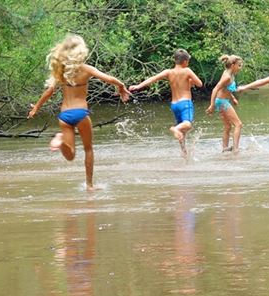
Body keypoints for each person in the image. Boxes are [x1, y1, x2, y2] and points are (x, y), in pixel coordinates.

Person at [28, 34, 129, 190]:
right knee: (88, 149)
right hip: (80, 113)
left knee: (70, 155)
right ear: (80, 51)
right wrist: (121, 87)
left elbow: (49, 91)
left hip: (64, 116)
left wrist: (36, 108)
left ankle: (61, 141)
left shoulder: (61, 71)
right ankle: (89, 185)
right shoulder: (85, 69)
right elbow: (109, 79)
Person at [130, 48, 204, 159]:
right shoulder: (187, 71)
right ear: (185, 61)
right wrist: (191, 81)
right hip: (185, 103)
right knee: (187, 125)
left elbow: (153, 79)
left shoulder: (168, 72)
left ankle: (184, 153)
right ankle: (174, 129)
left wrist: (138, 86)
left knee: (182, 131)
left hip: (174, 105)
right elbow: (199, 84)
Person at [206, 54, 245, 153]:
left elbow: (225, 89)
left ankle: (225, 149)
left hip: (223, 101)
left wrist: (233, 98)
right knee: (238, 124)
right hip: (222, 102)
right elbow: (215, 89)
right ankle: (236, 149)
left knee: (228, 126)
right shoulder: (227, 77)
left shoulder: (229, 73)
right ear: (233, 65)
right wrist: (211, 105)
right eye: (239, 65)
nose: (240, 68)